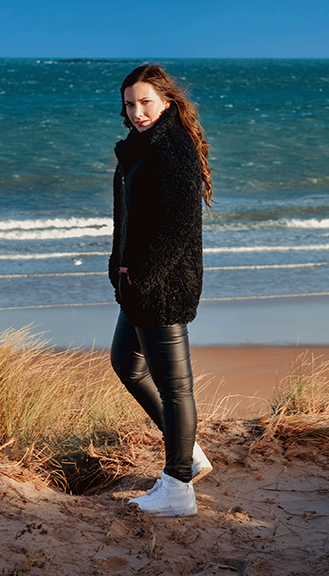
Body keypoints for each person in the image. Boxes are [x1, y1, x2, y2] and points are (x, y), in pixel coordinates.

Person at [109, 63, 214, 517]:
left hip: (163, 284)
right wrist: (120, 268)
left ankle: (177, 487)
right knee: (126, 363)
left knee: (175, 389)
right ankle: (188, 453)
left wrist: (143, 276)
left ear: (166, 101)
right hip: (139, 282)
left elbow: (181, 226)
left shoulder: (172, 149)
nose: (137, 112)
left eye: (146, 102)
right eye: (130, 104)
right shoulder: (140, 147)